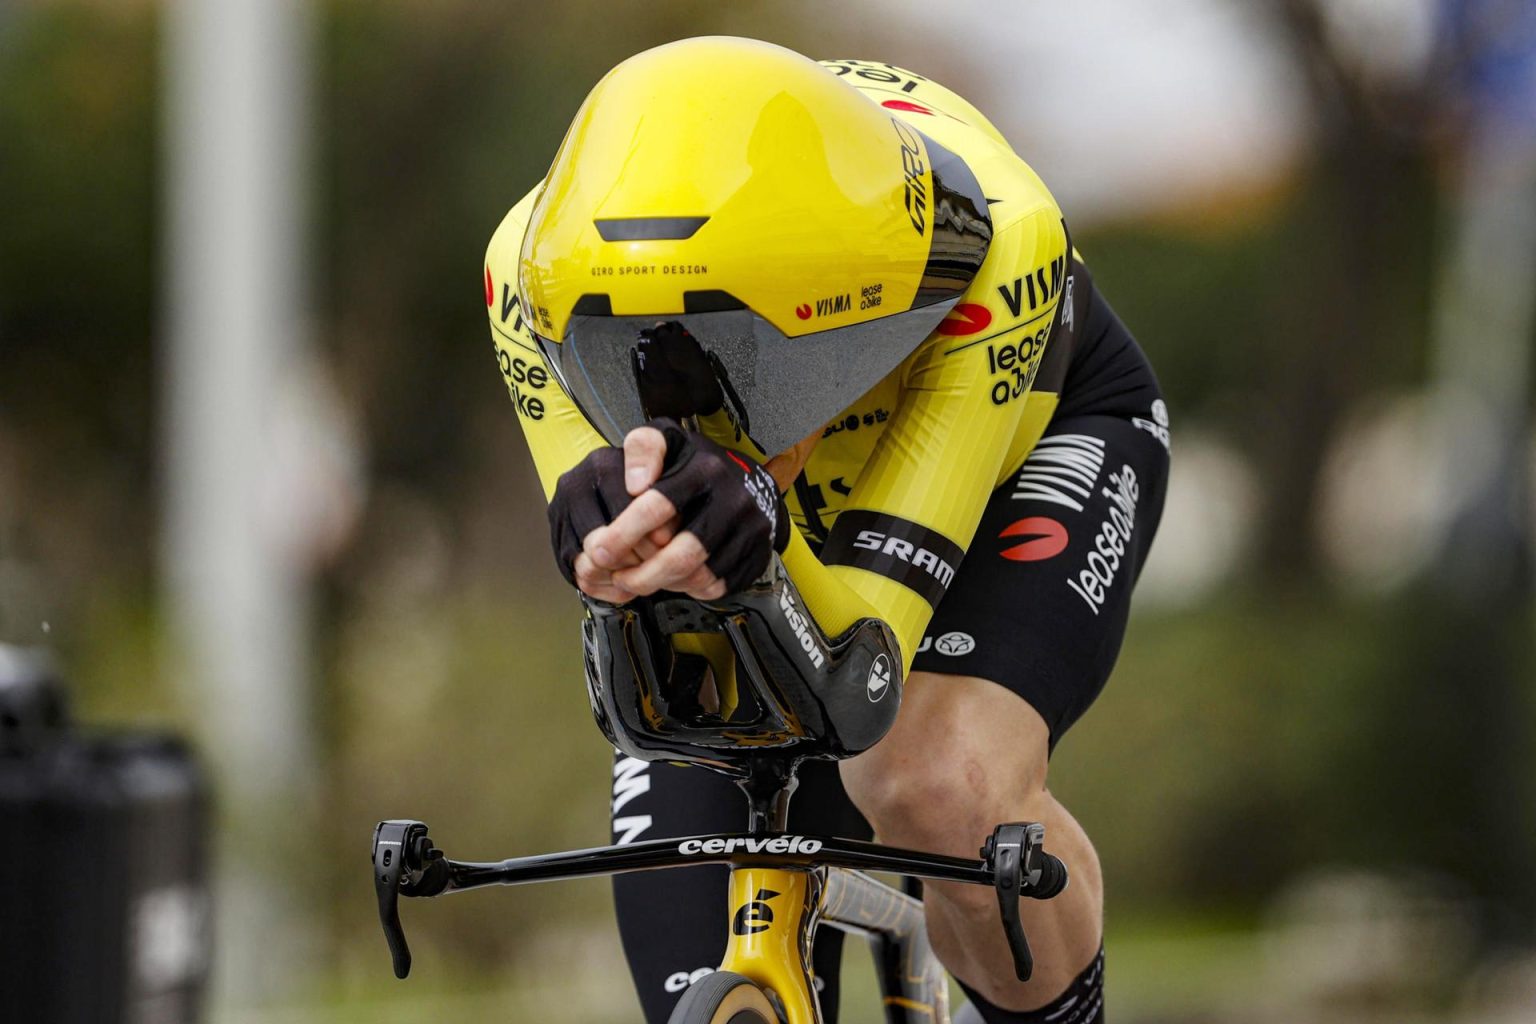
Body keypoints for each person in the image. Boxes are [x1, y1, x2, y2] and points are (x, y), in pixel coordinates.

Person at [483, 36, 1168, 1024]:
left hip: (1022, 445)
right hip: (787, 504)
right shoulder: (528, 267)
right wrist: (609, 537)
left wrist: (760, 516)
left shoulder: (998, 242)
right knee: (687, 864)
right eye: (633, 352)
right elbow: (632, 587)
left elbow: (864, 660)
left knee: (935, 782)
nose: (687, 385)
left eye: (742, 352)